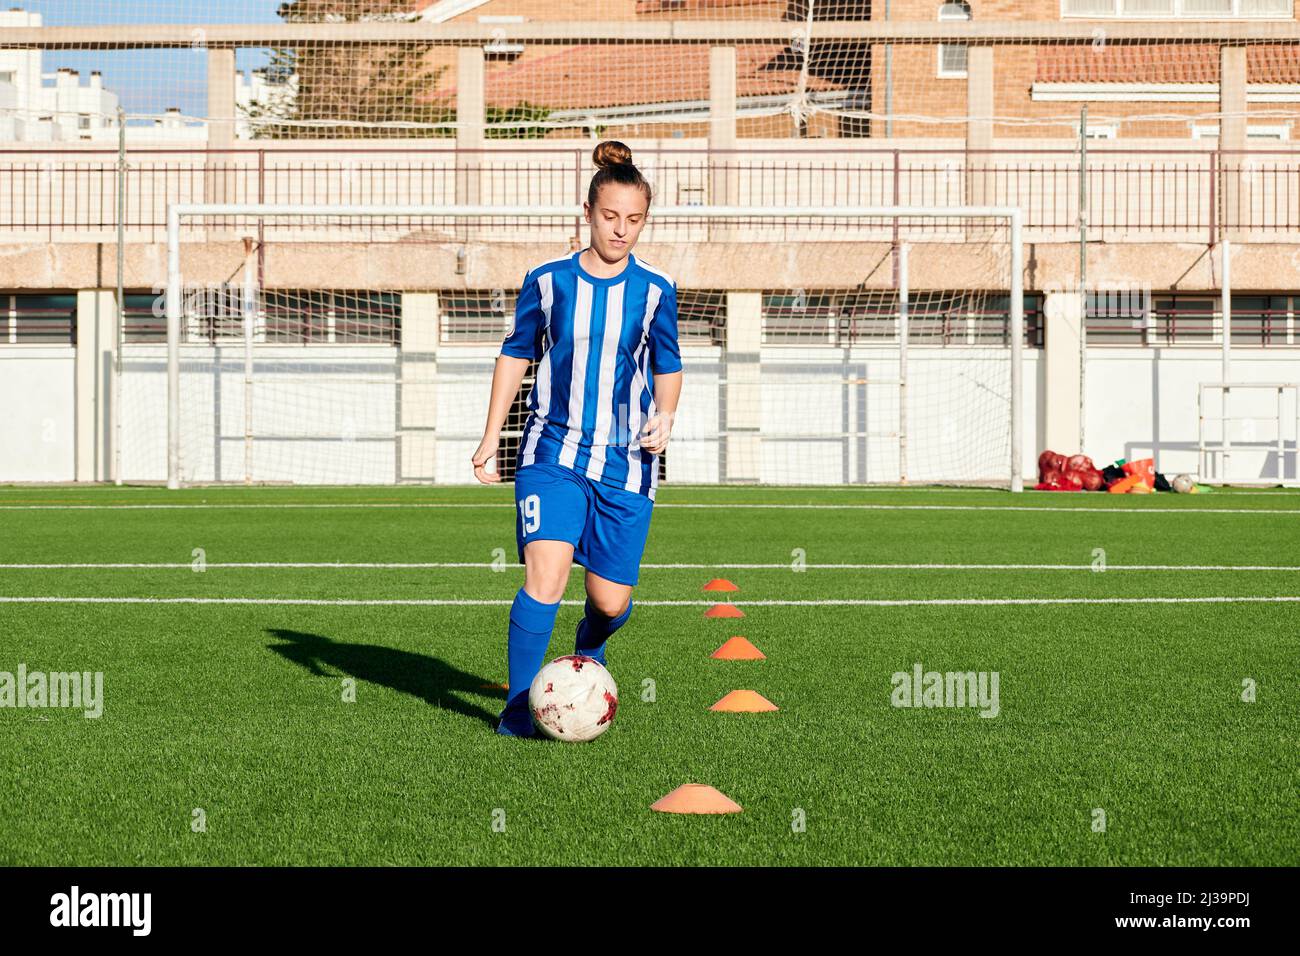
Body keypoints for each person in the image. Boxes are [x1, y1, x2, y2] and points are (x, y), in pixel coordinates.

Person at [471, 140, 684, 737]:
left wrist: (665, 415)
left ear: (645, 220)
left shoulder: (655, 289)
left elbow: (668, 364)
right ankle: (517, 708)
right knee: (546, 577)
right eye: (610, 216)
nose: (621, 230)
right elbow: (516, 354)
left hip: (626, 461)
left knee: (611, 602)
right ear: (587, 214)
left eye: (634, 220)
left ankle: (591, 647)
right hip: (550, 453)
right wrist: (491, 438)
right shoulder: (547, 281)